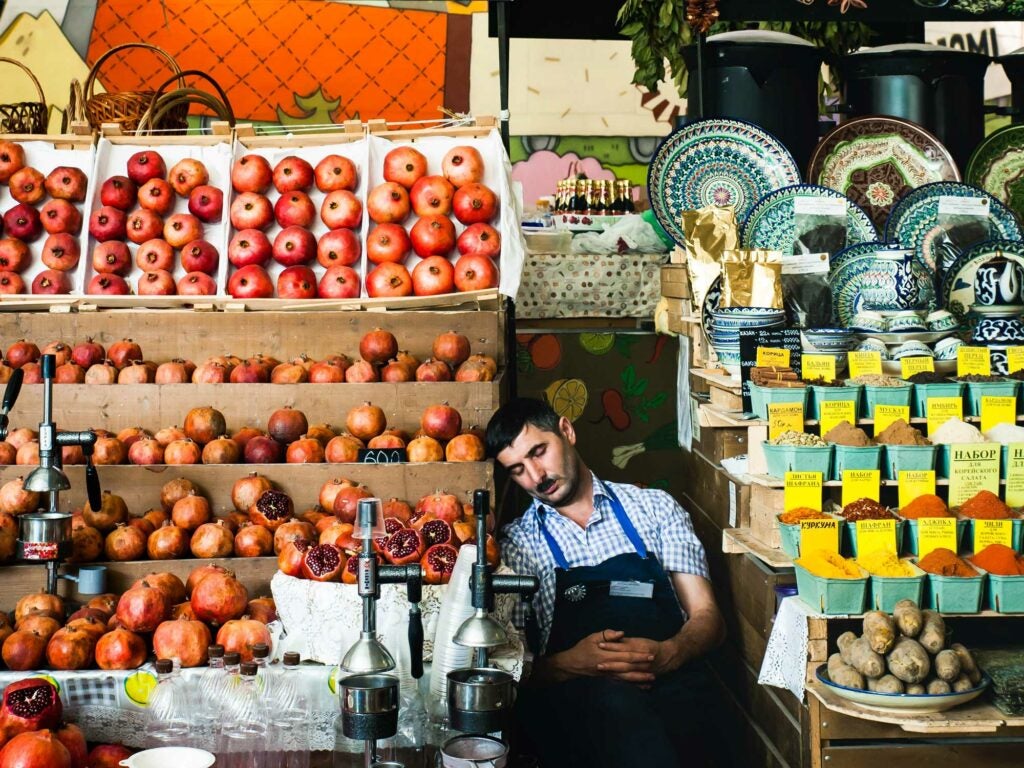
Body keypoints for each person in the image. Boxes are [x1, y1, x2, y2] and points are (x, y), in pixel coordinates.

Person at [486, 397, 725, 768]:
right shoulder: (516, 547)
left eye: (539, 452)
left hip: (677, 694)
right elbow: (511, 667)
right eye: (517, 469)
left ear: (567, 431)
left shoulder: (655, 508)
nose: (536, 476)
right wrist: (570, 664)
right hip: (585, 718)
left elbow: (708, 617)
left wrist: (668, 654)